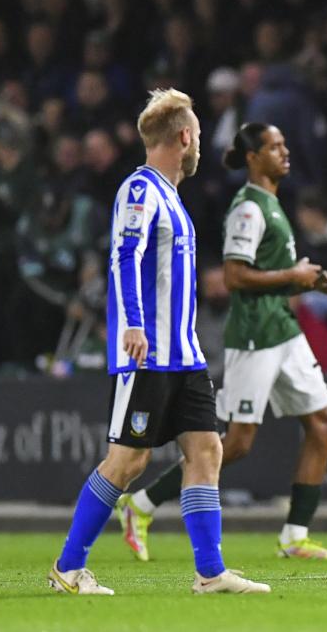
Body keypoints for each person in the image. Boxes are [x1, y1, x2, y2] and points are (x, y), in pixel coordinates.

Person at [48, 89, 270, 595]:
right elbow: (124, 256)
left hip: (183, 356)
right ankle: (68, 567)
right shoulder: (141, 190)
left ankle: (210, 572)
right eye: (195, 138)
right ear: (186, 137)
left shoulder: (171, 198)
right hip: (146, 352)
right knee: (128, 462)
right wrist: (132, 324)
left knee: (207, 449)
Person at [116, 122, 327, 563]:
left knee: (323, 426)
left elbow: (272, 272)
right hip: (256, 334)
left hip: (282, 327)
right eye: (275, 147)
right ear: (253, 157)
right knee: (235, 443)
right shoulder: (248, 209)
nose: (285, 153)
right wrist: (293, 277)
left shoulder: (273, 204)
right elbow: (235, 276)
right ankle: (141, 504)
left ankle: (294, 536)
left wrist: (311, 281)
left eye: (284, 145)